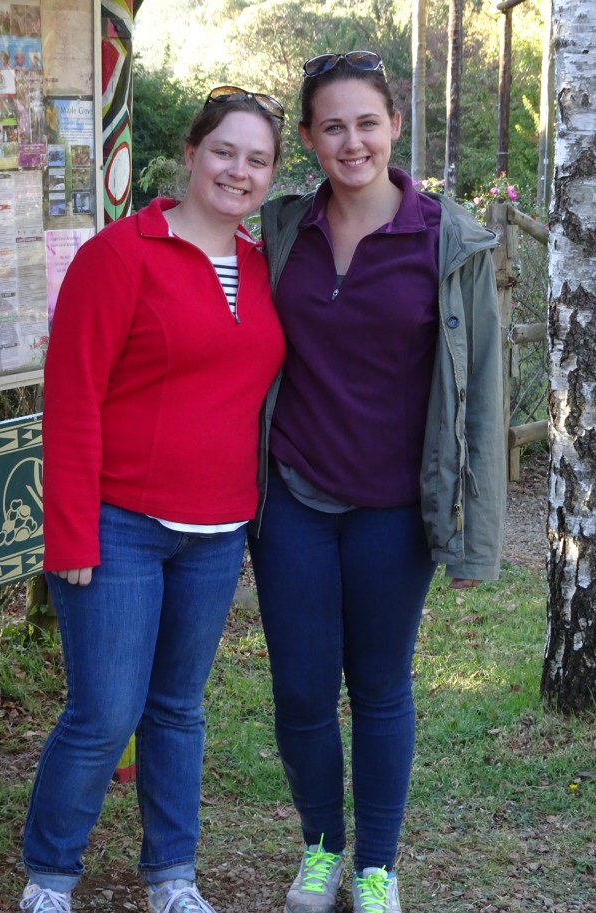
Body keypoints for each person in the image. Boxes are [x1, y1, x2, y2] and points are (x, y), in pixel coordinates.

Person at [248, 51, 506, 913]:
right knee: (299, 685)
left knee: (382, 684)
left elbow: (481, 399)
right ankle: (320, 849)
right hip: (293, 495)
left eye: (366, 121)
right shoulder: (283, 229)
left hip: (394, 510)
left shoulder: (449, 241)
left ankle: (376, 866)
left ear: (394, 126)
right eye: (331, 125)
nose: (350, 140)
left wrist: (474, 535)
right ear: (310, 140)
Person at [19, 86, 286, 913]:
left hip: (217, 528)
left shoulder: (259, 262)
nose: (237, 170)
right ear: (190, 154)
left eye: (257, 159)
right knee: (103, 713)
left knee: (176, 709)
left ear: (272, 176)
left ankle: (171, 877)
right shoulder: (120, 254)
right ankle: (50, 877)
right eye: (224, 151)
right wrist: (70, 538)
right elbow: (70, 399)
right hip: (117, 523)